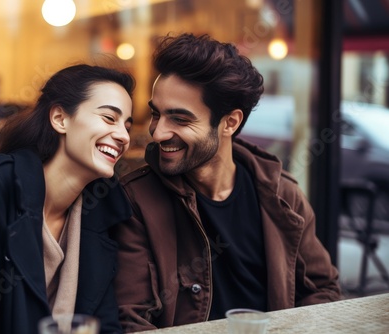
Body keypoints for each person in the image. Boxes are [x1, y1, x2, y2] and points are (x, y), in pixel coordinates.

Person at [111, 33, 341, 332]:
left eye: (180, 119)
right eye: (157, 114)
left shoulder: (282, 195)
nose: (158, 133)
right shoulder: (135, 200)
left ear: (229, 123)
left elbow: (324, 291)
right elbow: (131, 320)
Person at [0, 64, 135, 334]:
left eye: (127, 125)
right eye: (109, 118)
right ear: (60, 118)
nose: (124, 136)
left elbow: (105, 326)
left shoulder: (101, 209)